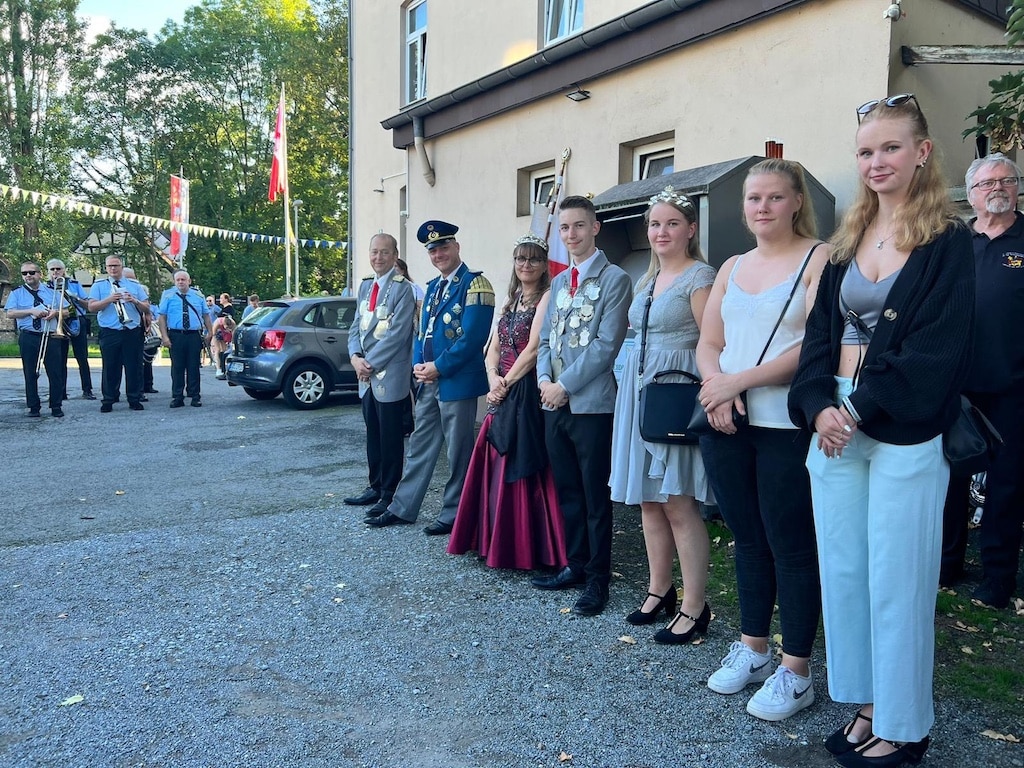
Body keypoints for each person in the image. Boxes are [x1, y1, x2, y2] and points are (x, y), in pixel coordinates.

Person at [789, 94, 974, 766]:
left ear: (922, 152)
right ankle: (866, 705)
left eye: (891, 148)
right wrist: (817, 406)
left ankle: (905, 724)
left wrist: (858, 410)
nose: (876, 162)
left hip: (899, 428)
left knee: (899, 578)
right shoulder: (844, 242)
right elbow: (816, 340)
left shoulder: (949, 243)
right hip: (833, 422)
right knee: (845, 573)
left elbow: (938, 349)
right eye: (866, 151)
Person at [695, 158, 828, 721]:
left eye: (775, 197)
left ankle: (796, 670)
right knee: (747, 539)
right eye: (754, 199)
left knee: (791, 545)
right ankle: (752, 647)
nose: (763, 208)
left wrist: (737, 382)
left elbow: (816, 343)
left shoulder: (818, 258)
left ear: (796, 201)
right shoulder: (732, 265)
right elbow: (709, 341)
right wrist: (716, 390)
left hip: (784, 426)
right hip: (728, 423)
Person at [609, 188, 716, 642]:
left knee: (678, 501)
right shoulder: (647, 280)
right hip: (639, 391)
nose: (661, 231)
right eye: (655, 224)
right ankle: (659, 590)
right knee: (649, 500)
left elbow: (712, 340)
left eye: (671, 223)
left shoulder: (700, 276)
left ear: (690, 229)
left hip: (674, 390)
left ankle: (695, 606)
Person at [532, 195, 631, 617]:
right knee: (567, 490)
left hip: (590, 405)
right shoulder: (558, 282)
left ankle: (597, 579)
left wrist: (564, 386)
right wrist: (542, 380)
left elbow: (606, 346)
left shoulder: (614, 280)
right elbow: (547, 340)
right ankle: (574, 564)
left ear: (595, 228)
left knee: (594, 496)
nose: (570, 235)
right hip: (553, 403)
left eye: (578, 226)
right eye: (564, 228)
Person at [366, 220, 495, 535]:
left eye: (443, 247)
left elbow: (472, 339)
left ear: (456, 247)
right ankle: (402, 507)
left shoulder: (476, 285)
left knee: (458, 452)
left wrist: (438, 366)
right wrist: (418, 366)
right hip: (428, 381)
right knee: (420, 446)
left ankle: (455, 514)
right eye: (433, 250)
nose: (439, 254)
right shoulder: (434, 287)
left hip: (457, 380)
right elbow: (421, 333)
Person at [448, 233, 566, 570]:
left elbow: (533, 349)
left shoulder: (546, 298)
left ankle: (529, 546)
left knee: (523, 457)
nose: (526, 265)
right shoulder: (512, 300)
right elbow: (494, 348)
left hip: (526, 389)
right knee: (493, 455)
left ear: (544, 265)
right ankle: (491, 539)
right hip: (501, 387)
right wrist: (492, 379)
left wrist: (506, 383)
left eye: (533, 259)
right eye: (520, 259)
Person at [940, 152, 1024, 609]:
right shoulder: (953, 241)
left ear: (1017, 188)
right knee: (949, 479)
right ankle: (947, 565)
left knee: (1007, 486)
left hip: (1013, 387)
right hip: (954, 385)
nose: (997, 187)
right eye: (987, 182)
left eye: (1007, 180)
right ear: (970, 194)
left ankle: (997, 579)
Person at [344, 233, 416, 515]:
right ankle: (374, 486)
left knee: (390, 436)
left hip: (388, 375)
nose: (378, 258)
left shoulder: (403, 289)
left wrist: (368, 364)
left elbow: (397, 335)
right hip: (365, 376)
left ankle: (390, 492)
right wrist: (354, 359)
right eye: (374, 252)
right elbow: (354, 329)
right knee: (372, 432)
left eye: (384, 252)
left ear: (395, 255)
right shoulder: (364, 287)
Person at [4, 260, 66, 417]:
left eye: (31, 272)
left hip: (50, 335)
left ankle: (56, 406)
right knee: (30, 372)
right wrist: (31, 311)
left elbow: (66, 311)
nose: (28, 276)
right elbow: (10, 313)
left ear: (39, 274)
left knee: (55, 372)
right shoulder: (17, 293)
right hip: (29, 336)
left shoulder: (52, 291)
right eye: (24, 273)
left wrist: (55, 313)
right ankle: (33, 406)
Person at [88, 255, 150, 412]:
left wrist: (134, 300)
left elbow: (146, 308)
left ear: (122, 267)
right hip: (110, 331)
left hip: (131, 331)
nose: (113, 269)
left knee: (134, 367)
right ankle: (108, 399)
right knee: (110, 367)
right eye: (110, 266)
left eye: (116, 265)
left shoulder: (134, 285)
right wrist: (109, 299)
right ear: (106, 268)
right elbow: (92, 307)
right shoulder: (99, 285)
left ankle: (134, 398)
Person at [158, 269, 214, 408]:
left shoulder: (198, 296)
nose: (181, 282)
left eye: (183, 279)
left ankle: (195, 396)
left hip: (193, 335)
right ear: (175, 281)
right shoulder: (168, 295)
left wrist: (210, 332)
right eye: (178, 280)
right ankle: (177, 396)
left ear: (189, 281)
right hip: (176, 335)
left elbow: (206, 315)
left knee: (193, 366)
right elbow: (162, 317)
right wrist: (164, 337)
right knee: (177, 367)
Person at [45, 258, 95, 400]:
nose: (56, 272)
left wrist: (75, 298)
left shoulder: (74, 284)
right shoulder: (45, 287)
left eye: (58, 269)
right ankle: (61, 392)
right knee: (60, 359)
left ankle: (87, 389)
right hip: (58, 322)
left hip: (76, 320)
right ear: (48, 272)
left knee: (82, 357)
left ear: (64, 270)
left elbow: (87, 305)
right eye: (52, 269)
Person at [122, 267, 157, 400]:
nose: (132, 280)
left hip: (138, 327)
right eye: (129, 278)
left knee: (140, 361)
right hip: (120, 328)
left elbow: (146, 306)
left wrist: (148, 316)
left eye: (133, 278)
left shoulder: (138, 288)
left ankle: (140, 390)